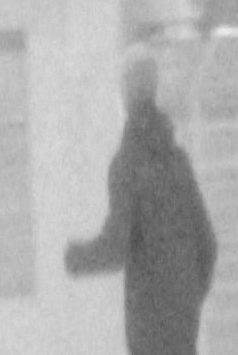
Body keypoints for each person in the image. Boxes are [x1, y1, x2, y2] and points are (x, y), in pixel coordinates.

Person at [64, 44, 217, 355]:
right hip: (183, 324)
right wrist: (186, 297)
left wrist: (75, 258)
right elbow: (208, 244)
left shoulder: (127, 164)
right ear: (154, 88)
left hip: (148, 326)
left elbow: (117, 246)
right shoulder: (178, 162)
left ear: (124, 94)